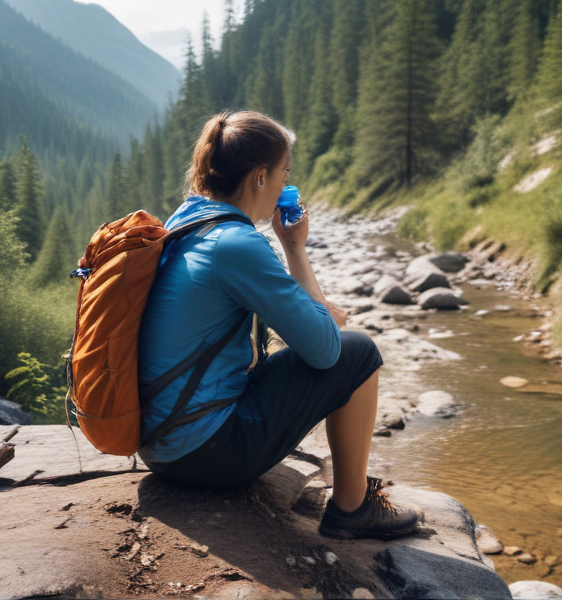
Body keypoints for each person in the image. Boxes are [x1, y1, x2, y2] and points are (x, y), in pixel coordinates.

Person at [137, 110, 419, 540]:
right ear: (260, 177)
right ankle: (352, 507)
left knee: (335, 342)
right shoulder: (236, 244)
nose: (287, 185)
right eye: (285, 173)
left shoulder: (188, 220)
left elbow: (311, 330)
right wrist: (295, 250)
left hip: (160, 443)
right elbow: (327, 349)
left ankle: (352, 502)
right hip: (205, 454)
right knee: (359, 351)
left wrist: (309, 291)